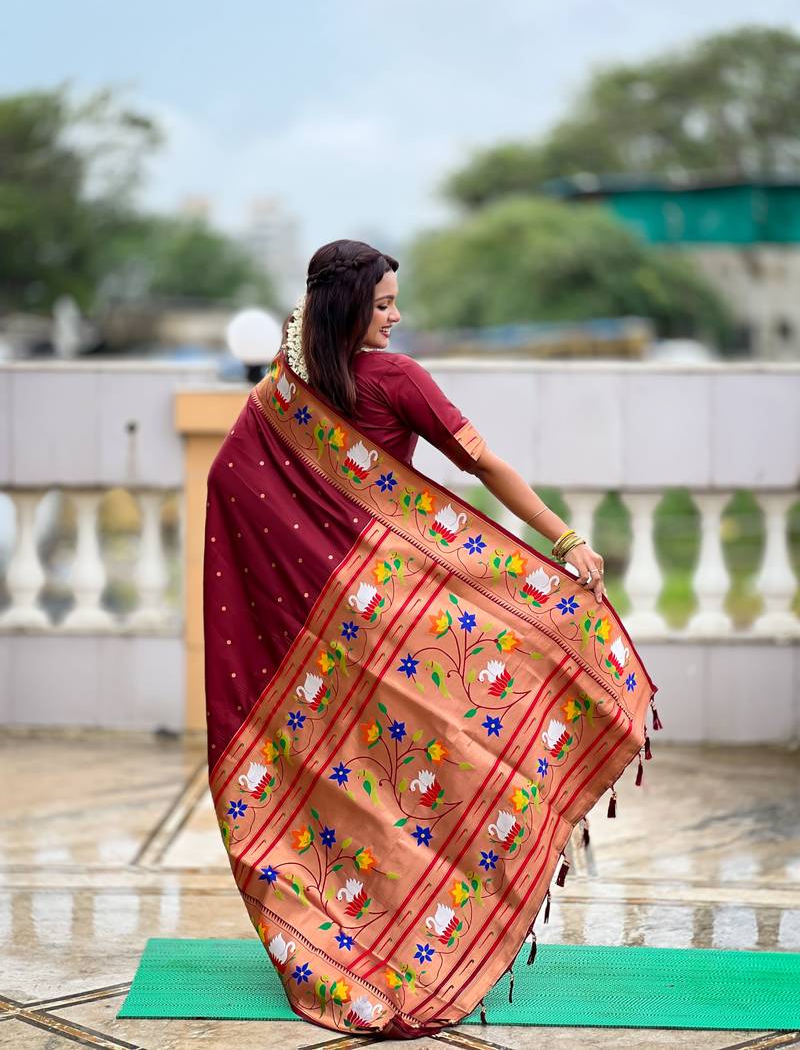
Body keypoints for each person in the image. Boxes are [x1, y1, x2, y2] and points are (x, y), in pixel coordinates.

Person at [203, 239, 660, 1039]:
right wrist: (562, 542)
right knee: (454, 746)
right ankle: (429, 929)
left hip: (325, 629)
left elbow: (227, 481)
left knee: (356, 773)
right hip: (397, 612)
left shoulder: (284, 390)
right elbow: (484, 464)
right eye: (383, 304)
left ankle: (358, 932)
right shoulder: (395, 378)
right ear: (348, 307)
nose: (396, 315)